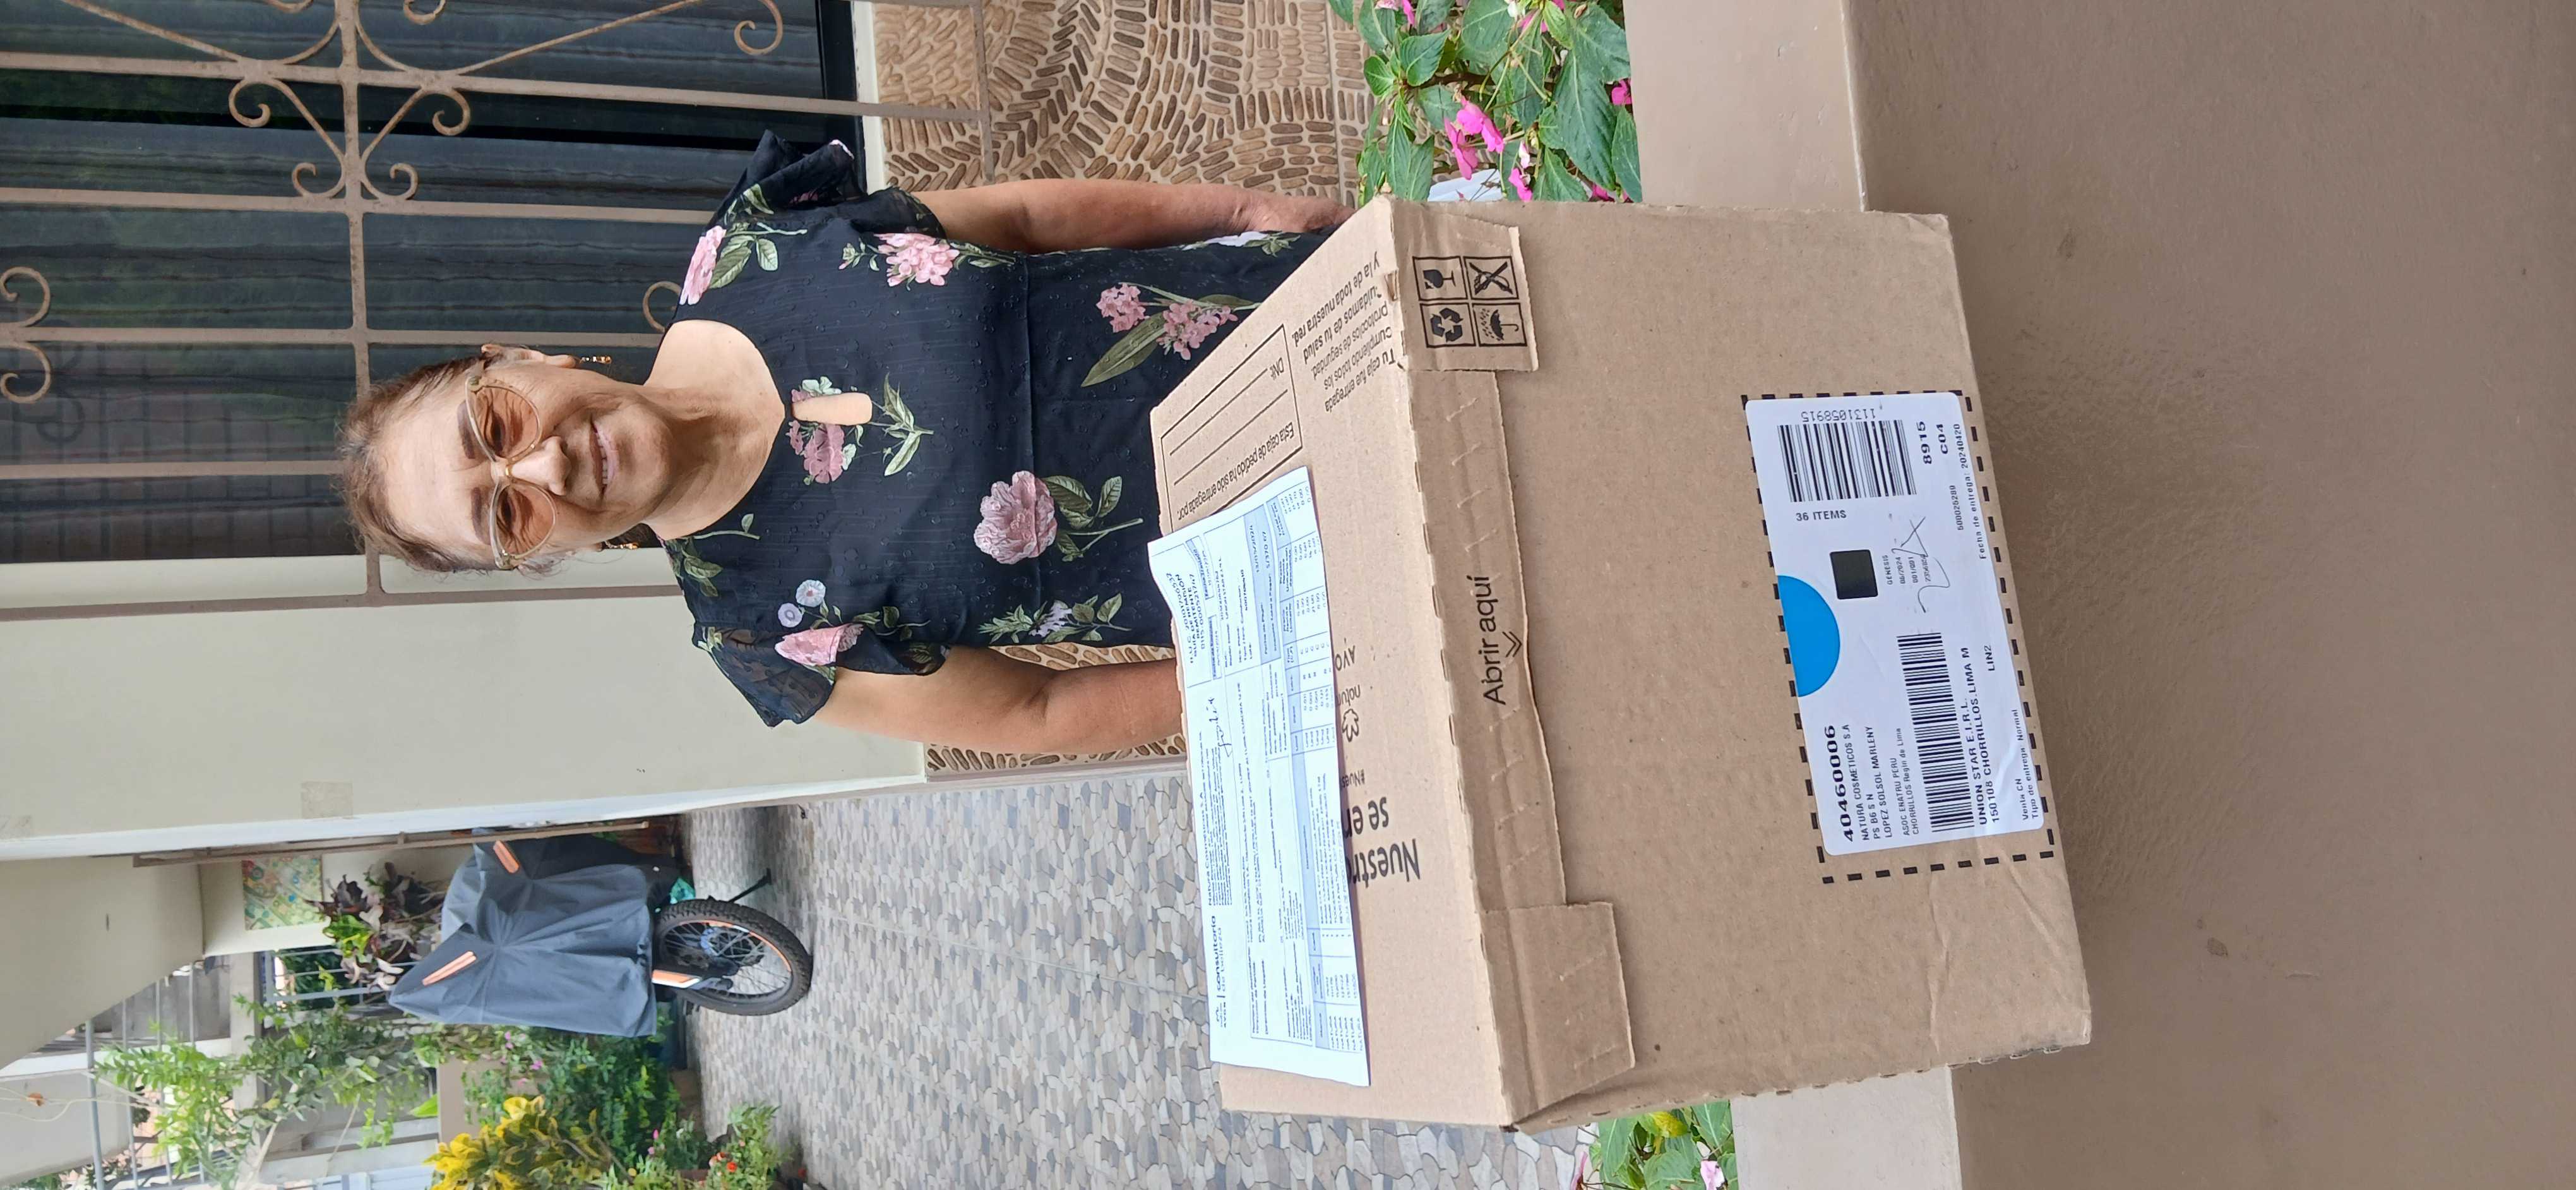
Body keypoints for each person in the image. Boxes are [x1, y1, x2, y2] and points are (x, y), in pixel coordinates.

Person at [337, 135, 1347, 754]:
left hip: (1321, 311)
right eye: (506, 512)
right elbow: (1034, 713)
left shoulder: (753, 250)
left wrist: (1245, 212)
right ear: (539, 555)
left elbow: (1025, 219)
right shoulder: (762, 635)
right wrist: (1296, 654)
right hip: (1318, 548)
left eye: (496, 427)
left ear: (519, 359)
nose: (545, 465)